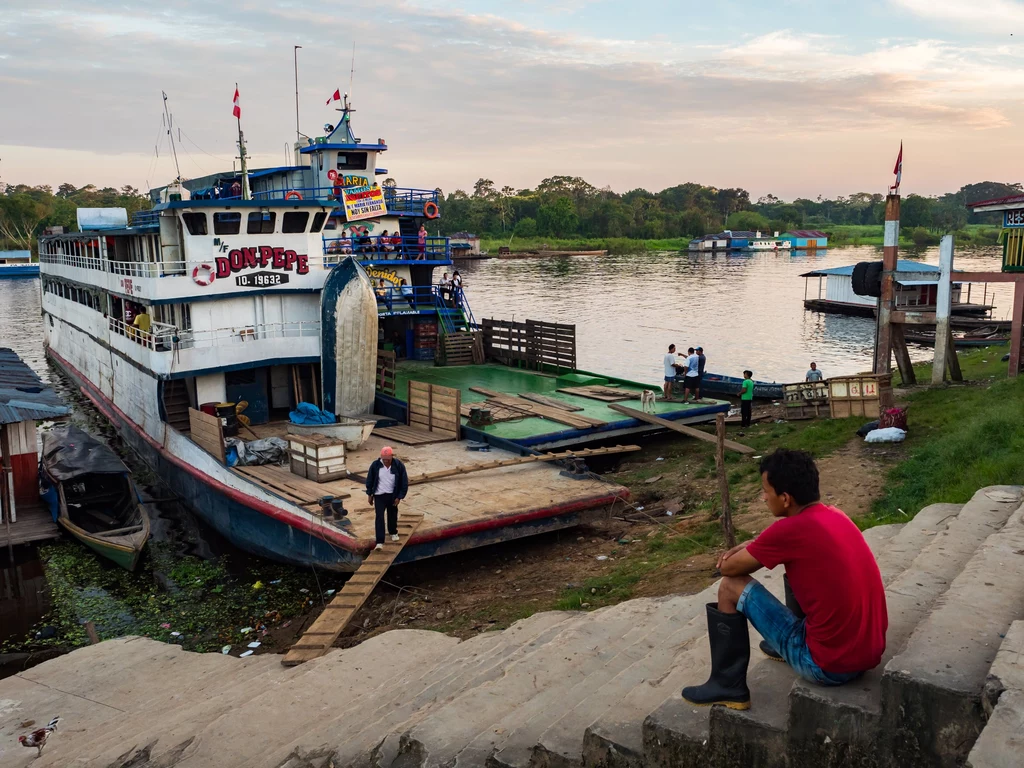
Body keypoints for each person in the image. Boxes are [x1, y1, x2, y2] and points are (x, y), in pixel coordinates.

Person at [681, 449, 887, 710]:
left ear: (785, 498)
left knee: (730, 587)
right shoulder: (836, 515)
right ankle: (783, 647)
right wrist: (756, 544)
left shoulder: (789, 532)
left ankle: (728, 685)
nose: (763, 497)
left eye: (766, 491)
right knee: (798, 565)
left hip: (826, 666)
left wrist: (738, 554)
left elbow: (729, 569)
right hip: (865, 655)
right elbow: (783, 543)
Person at [365, 446, 409, 550]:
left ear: (392, 457)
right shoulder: (375, 466)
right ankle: (379, 541)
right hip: (379, 495)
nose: (386, 462)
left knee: (392, 514)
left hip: (392, 495)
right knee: (379, 517)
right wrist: (369, 494)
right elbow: (370, 480)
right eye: (384, 459)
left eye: (388, 460)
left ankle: (393, 532)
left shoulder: (399, 465)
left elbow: (404, 482)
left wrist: (399, 497)